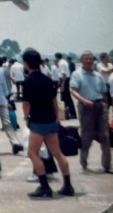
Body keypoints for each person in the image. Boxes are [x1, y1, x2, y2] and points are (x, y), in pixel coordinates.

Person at [21, 49, 74, 198]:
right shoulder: (47, 80)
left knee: (33, 152)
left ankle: (44, 186)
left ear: (26, 63)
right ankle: (67, 185)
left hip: (38, 122)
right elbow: (54, 101)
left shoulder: (28, 81)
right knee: (57, 153)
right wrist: (56, 118)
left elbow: (26, 104)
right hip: (51, 120)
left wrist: (26, 118)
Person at [69, 51, 111, 173]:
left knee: (105, 136)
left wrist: (106, 105)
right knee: (87, 136)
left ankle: (107, 165)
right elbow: (73, 90)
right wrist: (84, 100)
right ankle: (84, 161)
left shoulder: (98, 75)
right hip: (86, 107)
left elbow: (103, 92)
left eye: (91, 59)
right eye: (86, 59)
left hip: (100, 106)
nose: (89, 61)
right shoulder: (77, 75)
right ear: (82, 60)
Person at [0, 51, 24, 154]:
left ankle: (15, 144)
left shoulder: (1, 71)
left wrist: (7, 100)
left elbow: (4, 87)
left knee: (7, 123)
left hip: (1, 100)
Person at [54, 52, 76, 120]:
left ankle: (71, 113)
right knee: (64, 97)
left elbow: (64, 75)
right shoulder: (62, 62)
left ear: (57, 57)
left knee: (66, 97)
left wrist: (63, 84)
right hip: (64, 79)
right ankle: (67, 113)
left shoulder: (62, 63)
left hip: (64, 80)